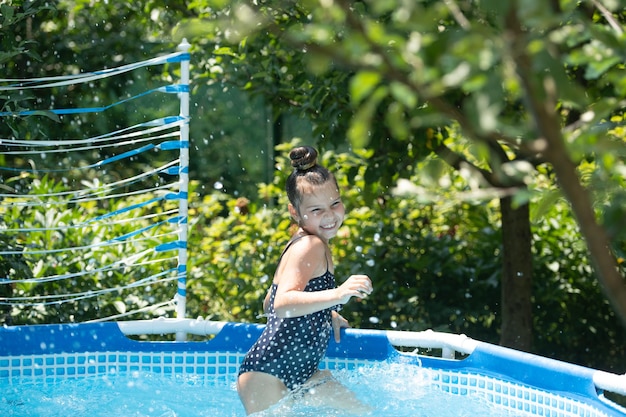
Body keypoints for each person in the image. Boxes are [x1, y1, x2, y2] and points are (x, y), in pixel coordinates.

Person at [237, 145, 373, 415]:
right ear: (295, 211)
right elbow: (282, 304)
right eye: (316, 209)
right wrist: (339, 293)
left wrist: (324, 313)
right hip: (268, 375)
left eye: (335, 203)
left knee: (364, 412)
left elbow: (268, 302)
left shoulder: (306, 243)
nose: (329, 215)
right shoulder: (309, 245)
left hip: (299, 372)